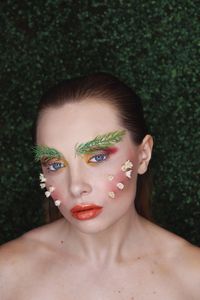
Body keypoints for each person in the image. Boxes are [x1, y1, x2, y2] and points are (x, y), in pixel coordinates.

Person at [0, 73, 199, 300]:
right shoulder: (7, 274)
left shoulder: (192, 278)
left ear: (143, 155)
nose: (76, 187)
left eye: (97, 158)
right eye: (55, 164)